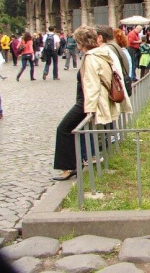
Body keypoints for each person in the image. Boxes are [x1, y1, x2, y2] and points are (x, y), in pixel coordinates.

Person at [52, 25, 97, 181]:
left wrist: (91, 108)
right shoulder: (93, 55)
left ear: (81, 41)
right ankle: (84, 159)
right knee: (74, 130)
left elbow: (92, 84)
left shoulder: (90, 57)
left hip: (84, 102)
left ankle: (69, 167)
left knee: (63, 129)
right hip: (85, 101)